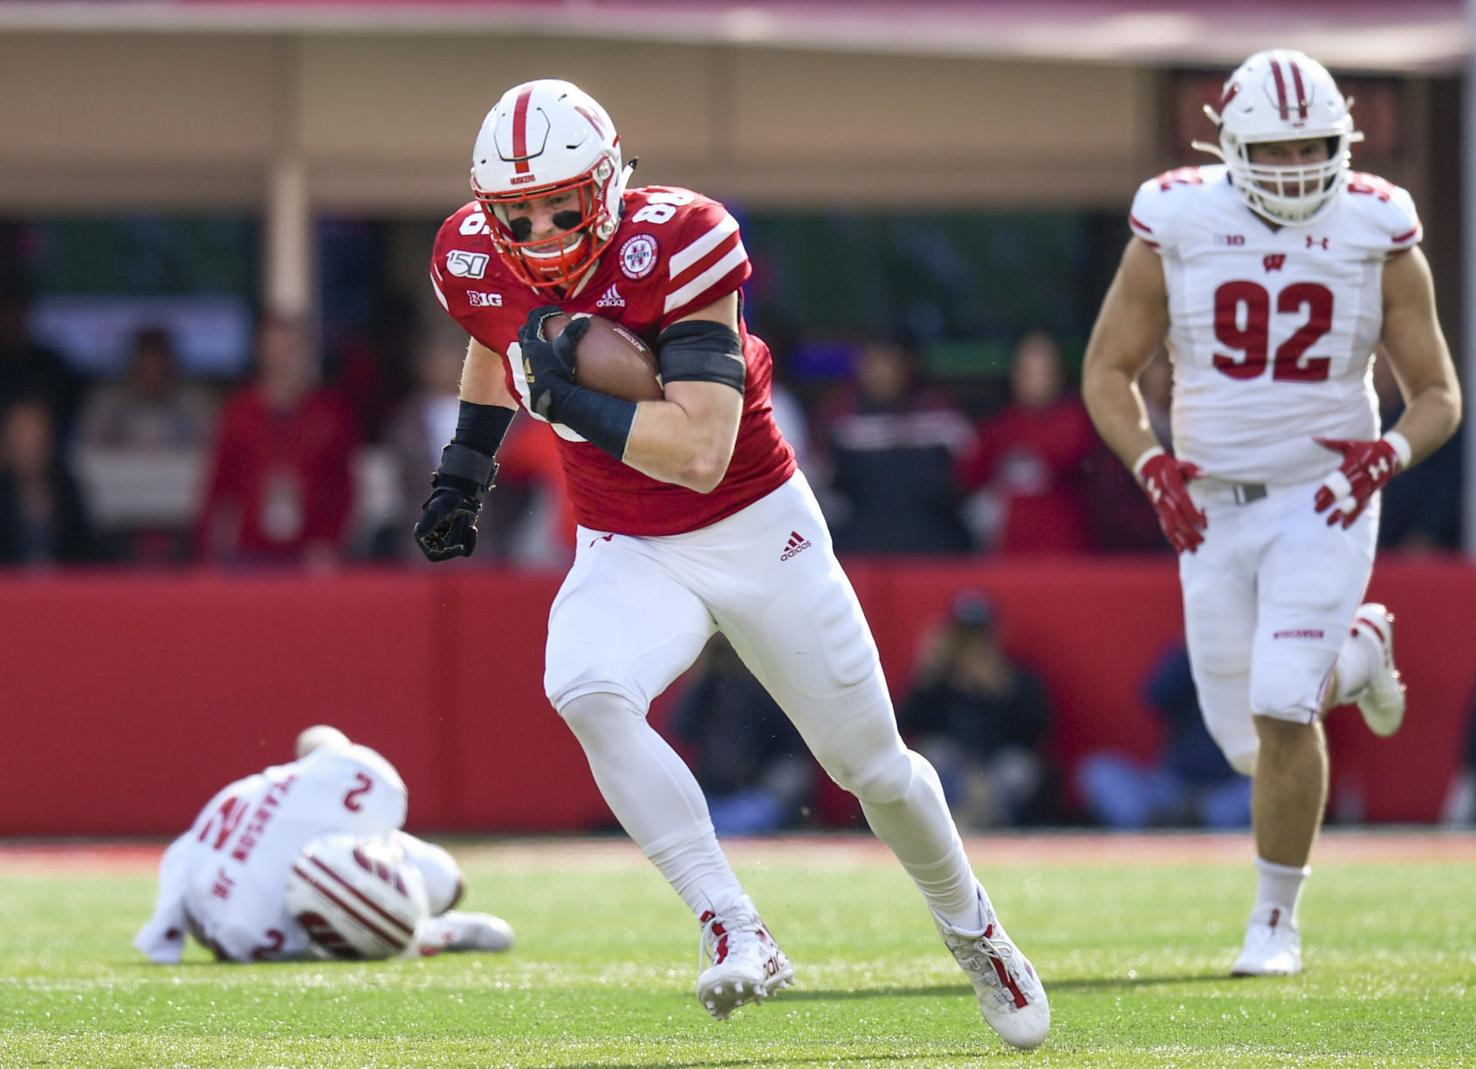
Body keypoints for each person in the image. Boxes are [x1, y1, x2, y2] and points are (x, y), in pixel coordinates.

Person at [414, 79, 1047, 1047]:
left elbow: (700, 449)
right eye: (518, 215)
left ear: (609, 183)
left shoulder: (682, 238)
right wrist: (468, 461)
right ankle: (732, 923)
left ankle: (975, 928)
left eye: (560, 208)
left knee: (872, 769)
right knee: (584, 685)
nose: (539, 234)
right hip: (627, 538)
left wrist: (564, 394)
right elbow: (499, 338)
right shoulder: (468, 250)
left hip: (754, 525)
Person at [1081, 49, 1462, 976]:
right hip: (1210, 508)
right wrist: (1153, 467)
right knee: (1244, 742)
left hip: (1322, 496)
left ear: (1345, 143)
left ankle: (1274, 922)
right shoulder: (1176, 216)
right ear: (1228, 145)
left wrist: (1389, 453)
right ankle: (1360, 652)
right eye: (1276, 150)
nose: (1296, 170)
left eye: (1314, 149)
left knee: (1282, 701)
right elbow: (1107, 372)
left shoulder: (1378, 223)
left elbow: (1439, 393)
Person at [135, 725, 514, 964]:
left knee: (447, 882)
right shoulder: (248, 922)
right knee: (434, 889)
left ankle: (413, 927)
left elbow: (316, 738)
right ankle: (424, 931)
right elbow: (317, 737)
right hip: (222, 878)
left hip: (211, 867)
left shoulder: (248, 923)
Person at [195, 315, 357, 567]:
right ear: (261, 355)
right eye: (274, 350)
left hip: (310, 556)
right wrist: (209, 555)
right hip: (247, 554)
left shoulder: (328, 415)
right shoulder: (238, 414)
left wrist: (329, 542)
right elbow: (219, 487)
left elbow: (343, 488)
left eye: (290, 350)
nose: (281, 360)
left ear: (303, 354)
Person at [896, 593, 1053, 829]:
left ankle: (987, 823)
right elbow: (904, 725)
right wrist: (925, 676)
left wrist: (1001, 690)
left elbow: (1038, 733)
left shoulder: (1016, 677)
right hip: (954, 771)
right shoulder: (939, 679)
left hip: (996, 771)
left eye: (981, 636)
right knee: (932, 754)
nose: (974, 644)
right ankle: (949, 824)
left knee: (1017, 768)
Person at [812, 339, 975, 555]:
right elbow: (822, 483)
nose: (882, 372)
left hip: (934, 543)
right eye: (874, 362)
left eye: (889, 361)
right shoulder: (840, 413)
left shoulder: (940, 411)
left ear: (907, 364)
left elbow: (969, 480)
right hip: (860, 546)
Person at [1076, 644, 1251, 830]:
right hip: (1169, 787)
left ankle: (1195, 821)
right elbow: (1154, 696)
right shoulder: (1195, 652)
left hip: (1227, 792)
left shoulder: (1265, 660)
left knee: (1264, 789)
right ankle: (1151, 824)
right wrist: (1197, 645)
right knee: (1098, 770)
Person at [959, 332, 1097, 554]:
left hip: (1066, 553)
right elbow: (969, 475)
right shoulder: (1000, 426)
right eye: (1028, 372)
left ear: (1059, 374)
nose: (1037, 380)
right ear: (1014, 374)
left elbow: (1068, 452)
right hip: (1012, 555)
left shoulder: (1076, 420)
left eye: (1045, 371)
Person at [668, 634, 814, 835]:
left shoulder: (766, 684)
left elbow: (791, 744)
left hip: (758, 795)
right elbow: (680, 728)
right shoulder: (708, 686)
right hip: (712, 796)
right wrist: (705, 673)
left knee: (791, 774)